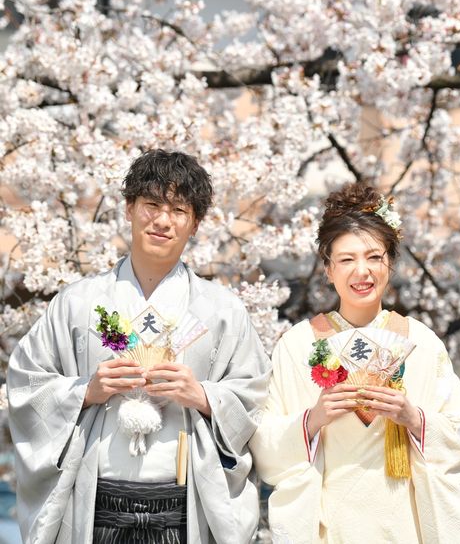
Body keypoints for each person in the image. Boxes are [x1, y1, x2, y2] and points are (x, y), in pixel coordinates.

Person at [7, 149, 271, 544]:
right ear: (129, 209)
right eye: (151, 205)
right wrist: (85, 391)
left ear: (195, 224)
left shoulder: (222, 310)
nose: (163, 220)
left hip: (184, 510)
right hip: (95, 506)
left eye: (179, 210)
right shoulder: (77, 303)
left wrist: (203, 397)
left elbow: (256, 397)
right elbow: (25, 384)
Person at [250, 182, 460, 544]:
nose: (363, 271)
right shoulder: (297, 345)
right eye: (346, 260)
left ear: (390, 263)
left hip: (406, 526)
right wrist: (312, 420)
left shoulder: (420, 342)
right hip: (330, 527)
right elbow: (265, 443)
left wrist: (414, 418)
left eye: (374, 257)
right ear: (328, 269)